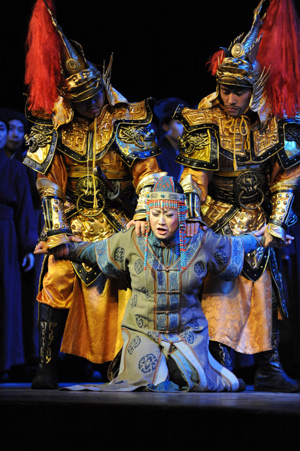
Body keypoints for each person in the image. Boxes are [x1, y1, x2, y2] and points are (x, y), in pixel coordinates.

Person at [23, 0, 165, 389]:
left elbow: (147, 173)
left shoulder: (125, 120)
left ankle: (120, 360)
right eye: (81, 98)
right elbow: (48, 183)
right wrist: (56, 232)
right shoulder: (55, 127)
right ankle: (47, 363)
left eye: (94, 93)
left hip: (116, 220)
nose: (90, 103)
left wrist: (144, 215)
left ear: (103, 84)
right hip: (72, 221)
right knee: (56, 278)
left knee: (127, 282)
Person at [34, 175, 270, 392]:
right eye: (155, 213)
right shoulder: (134, 239)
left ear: (181, 213)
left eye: (168, 214)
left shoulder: (199, 240)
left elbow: (232, 246)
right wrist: (66, 249)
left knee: (192, 381)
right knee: (145, 382)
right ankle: (128, 361)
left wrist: (259, 239)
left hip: (187, 332)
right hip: (144, 330)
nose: (161, 221)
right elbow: (96, 250)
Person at [174, 0, 300, 392]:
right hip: (217, 216)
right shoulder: (204, 121)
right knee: (220, 291)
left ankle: (268, 364)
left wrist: (277, 224)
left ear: (254, 90)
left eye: (240, 92)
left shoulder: (273, 123)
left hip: (258, 217)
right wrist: (194, 220)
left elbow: (286, 176)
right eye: (226, 90)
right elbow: (194, 179)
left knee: (264, 289)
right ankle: (219, 361)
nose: (231, 99)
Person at [0, 107, 43, 377]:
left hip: (5, 235)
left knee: (7, 295)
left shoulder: (15, 168)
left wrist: (27, 246)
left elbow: (25, 208)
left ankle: (6, 361)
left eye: (2, 129)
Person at [153, 98, 189, 182]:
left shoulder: (186, 151)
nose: (185, 128)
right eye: (179, 123)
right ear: (166, 126)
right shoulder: (158, 154)